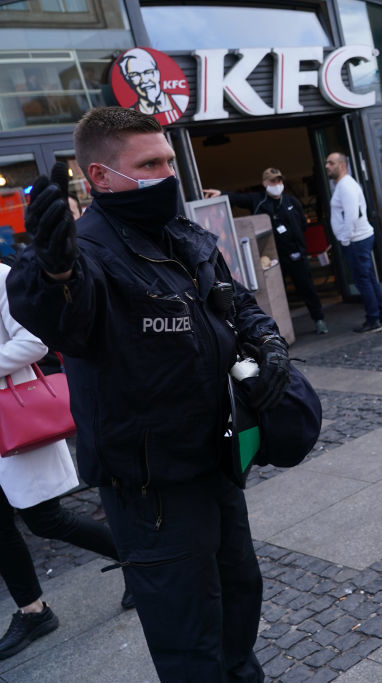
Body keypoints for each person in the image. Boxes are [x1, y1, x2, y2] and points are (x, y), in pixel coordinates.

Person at [7, 106, 291, 681]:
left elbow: (233, 299)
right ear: (101, 176)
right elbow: (64, 315)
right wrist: (53, 274)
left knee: (241, 595)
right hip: (151, 489)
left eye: (168, 161)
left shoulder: (180, 234)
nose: (168, 174)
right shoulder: (87, 254)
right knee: (189, 637)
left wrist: (267, 341)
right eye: (150, 165)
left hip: (216, 460)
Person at [0, 262, 132, 661]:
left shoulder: (3, 276)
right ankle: (33, 610)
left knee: (45, 519)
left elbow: (34, 342)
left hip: (13, 414)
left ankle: (137, 560)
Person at [205, 168, 328, 335]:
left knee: (307, 289)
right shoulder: (258, 200)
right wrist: (221, 193)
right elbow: (238, 198)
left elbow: (303, 225)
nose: (277, 184)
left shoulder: (291, 201)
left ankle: (319, 320)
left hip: (297, 255)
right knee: (274, 293)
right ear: (265, 183)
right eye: (273, 181)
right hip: (273, 257)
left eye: (279, 180)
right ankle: (275, 329)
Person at [324, 152, 382, 333]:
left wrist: (345, 239)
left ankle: (373, 320)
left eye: (331, 163)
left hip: (356, 240)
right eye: (327, 163)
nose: (327, 166)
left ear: (342, 165)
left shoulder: (346, 185)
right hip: (357, 239)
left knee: (363, 281)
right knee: (368, 278)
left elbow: (352, 214)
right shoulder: (343, 185)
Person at [116, 48, 187, 125]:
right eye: (135, 75)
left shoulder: (180, 101)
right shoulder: (130, 116)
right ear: (128, 80)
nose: (144, 80)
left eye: (148, 72)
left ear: (157, 73)